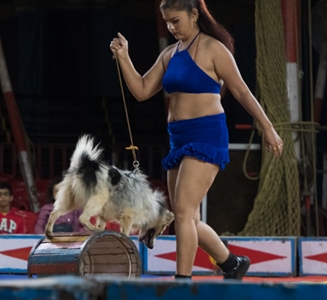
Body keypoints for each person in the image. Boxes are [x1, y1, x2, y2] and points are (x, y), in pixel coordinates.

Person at [109, 0, 283, 280]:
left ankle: (182, 281)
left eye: (176, 21)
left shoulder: (214, 49)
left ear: (194, 14)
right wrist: (124, 56)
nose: (171, 27)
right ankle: (231, 264)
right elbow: (141, 90)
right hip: (178, 137)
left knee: (184, 213)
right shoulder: (169, 54)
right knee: (186, 217)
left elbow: (241, 91)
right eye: (167, 22)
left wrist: (268, 127)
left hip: (206, 134)